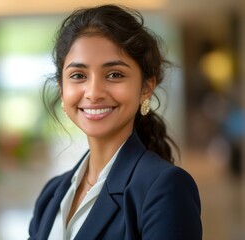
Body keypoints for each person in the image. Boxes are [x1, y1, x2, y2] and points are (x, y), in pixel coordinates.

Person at [29, 4, 202, 240]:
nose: (94, 92)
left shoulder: (165, 189)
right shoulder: (52, 194)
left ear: (146, 88)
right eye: (78, 76)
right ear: (62, 89)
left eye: (114, 75)